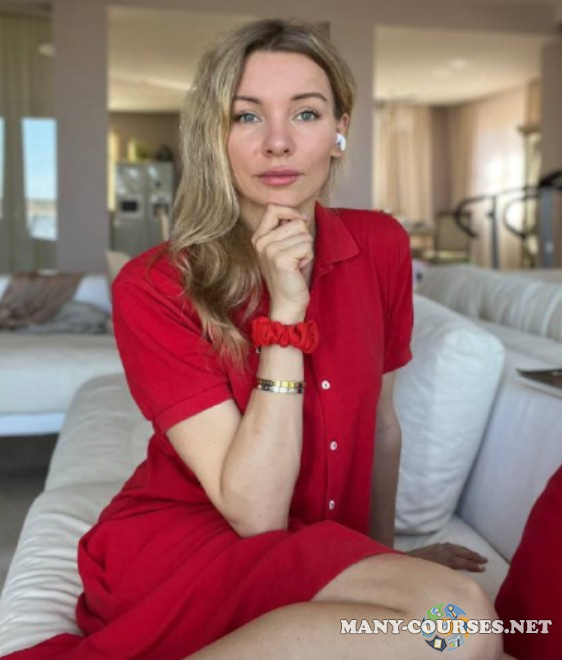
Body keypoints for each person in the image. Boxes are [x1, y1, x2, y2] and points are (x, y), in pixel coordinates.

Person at [4, 18, 507, 659]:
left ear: (340, 129)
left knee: (456, 624)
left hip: (310, 549)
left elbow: (381, 427)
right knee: (464, 626)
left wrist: (379, 564)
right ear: (214, 136)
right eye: (246, 116)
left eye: (306, 113)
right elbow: (257, 513)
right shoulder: (155, 284)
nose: (278, 142)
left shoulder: (380, 244)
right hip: (188, 547)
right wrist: (286, 311)